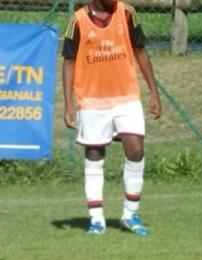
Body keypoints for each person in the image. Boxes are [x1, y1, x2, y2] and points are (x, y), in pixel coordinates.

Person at [62, 0, 161, 236]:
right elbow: (69, 62)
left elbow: (140, 51)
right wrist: (68, 104)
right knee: (94, 154)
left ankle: (130, 214)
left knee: (135, 148)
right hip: (92, 100)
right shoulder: (78, 20)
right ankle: (97, 220)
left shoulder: (127, 13)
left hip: (126, 96)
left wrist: (154, 92)